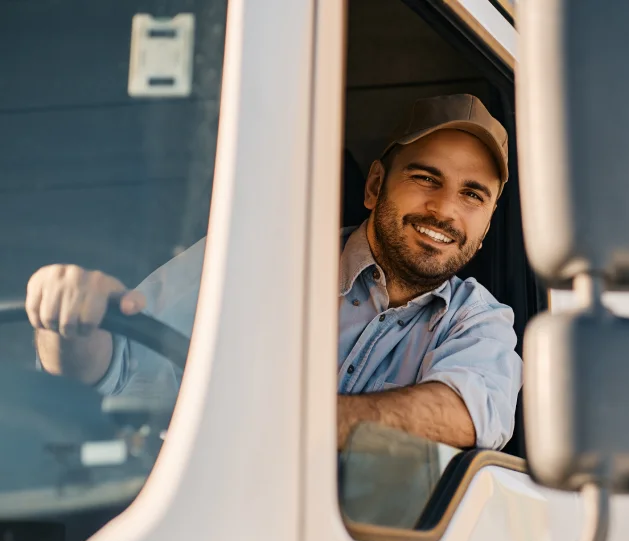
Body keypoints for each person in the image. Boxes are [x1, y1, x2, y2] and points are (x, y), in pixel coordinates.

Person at [26, 94, 521, 451]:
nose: (443, 210)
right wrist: (68, 322)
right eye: (424, 178)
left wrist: (273, 426)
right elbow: (117, 365)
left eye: (472, 194)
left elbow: (466, 414)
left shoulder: (479, 321)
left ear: (485, 227)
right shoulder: (254, 256)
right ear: (374, 186)